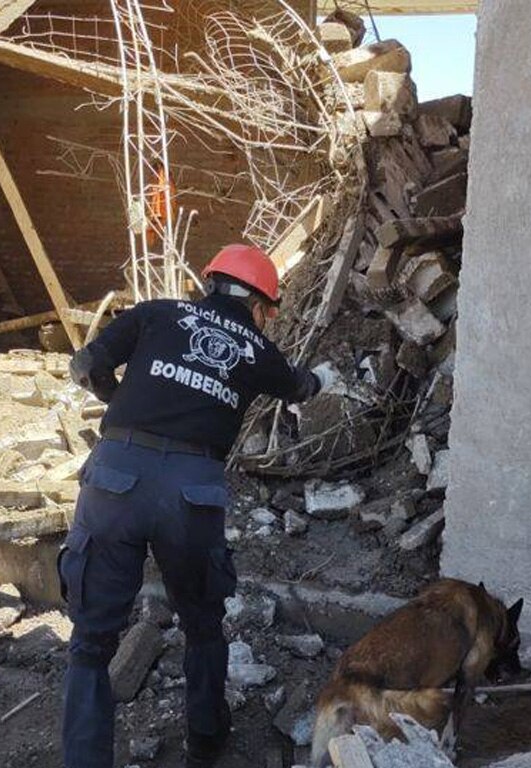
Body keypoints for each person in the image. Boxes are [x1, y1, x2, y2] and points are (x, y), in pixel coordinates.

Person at [60, 244, 333, 768]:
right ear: (259, 306)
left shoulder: (157, 312)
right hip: (192, 490)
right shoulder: (254, 348)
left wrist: (117, 404)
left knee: (91, 643)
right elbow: (299, 386)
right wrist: (325, 379)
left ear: (211, 284)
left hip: (116, 476)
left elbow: (86, 362)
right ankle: (206, 742)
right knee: (202, 622)